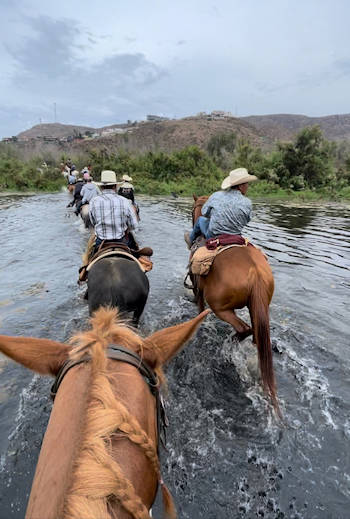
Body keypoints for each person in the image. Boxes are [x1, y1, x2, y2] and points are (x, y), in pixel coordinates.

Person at [184, 167, 257, 248]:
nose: (247, 186)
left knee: (200, 220)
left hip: (213, 236)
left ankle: (190, 240)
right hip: (236, 237)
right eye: (246, 184)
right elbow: (247, 220)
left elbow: (204, 212)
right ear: (240, 186)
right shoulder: (247, 202)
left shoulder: (216, 195)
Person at [89, 170, 139, 251]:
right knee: (136, 251)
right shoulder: (125, 201)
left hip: (101, 241)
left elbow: (93, 222)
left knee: (89, 256)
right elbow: (134, 225)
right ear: (115, 186)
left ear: (101, 187)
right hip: (121, 241)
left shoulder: (93, 201)